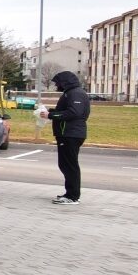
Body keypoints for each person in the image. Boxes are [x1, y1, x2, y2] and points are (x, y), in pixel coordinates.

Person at [39, 70, 90, 205]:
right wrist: (51, 112)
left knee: (69, 165)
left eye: (58, 83)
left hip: (71, 134)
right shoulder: (71, 93)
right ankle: (70, 193)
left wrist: (51, 115)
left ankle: (72, 196)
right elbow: (68, 110)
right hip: (67, 133)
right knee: (65, 164)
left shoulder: (75, 93)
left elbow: (74, 112)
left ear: (64, 82)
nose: (57, 86)